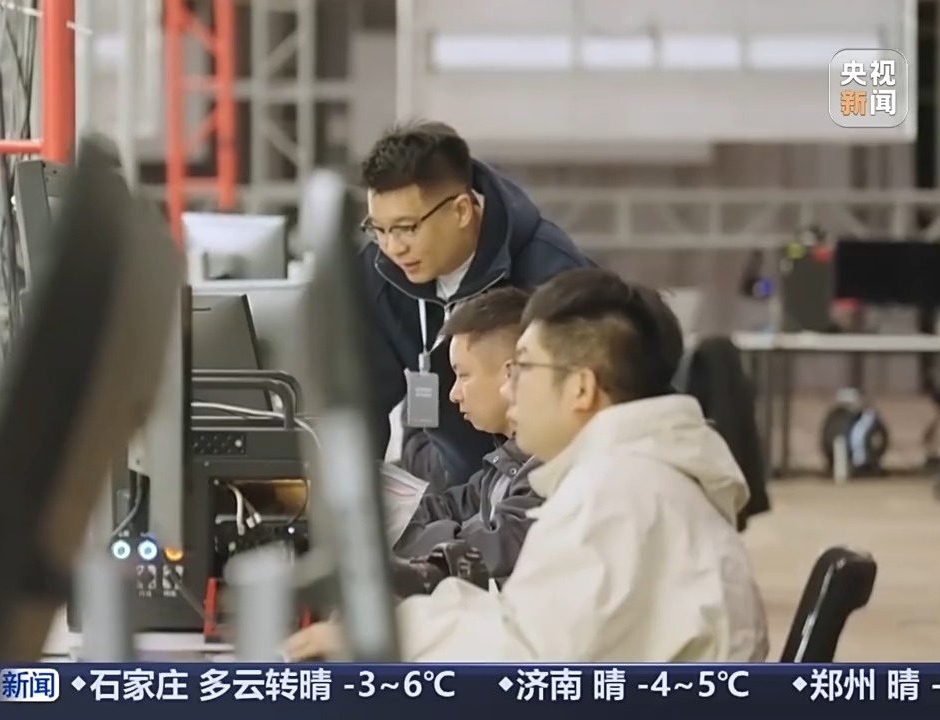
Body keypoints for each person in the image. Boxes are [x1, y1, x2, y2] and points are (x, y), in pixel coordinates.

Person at [286, 269, 768, 662]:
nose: (509, 388)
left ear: (581, 388)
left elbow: (522, 660)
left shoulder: (617, 494)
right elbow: (525, 622)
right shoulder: (631, 476)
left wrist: (382, 635)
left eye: (522, 368)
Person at [359, 121, 593, 487]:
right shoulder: (381, 274)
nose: (393, 247)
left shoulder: (550, 273)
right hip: (446, 475)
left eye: (406, 228)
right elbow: (360, 405)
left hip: (537, 482)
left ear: (462, 211)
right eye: (379, 229)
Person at [393, 288, 542, 579]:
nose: (454, 394)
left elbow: (492, 547)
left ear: (510, 374)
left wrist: (398, 535)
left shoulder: (543, 469)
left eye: (463, 375)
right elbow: (449, 506)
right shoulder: (503, 466)